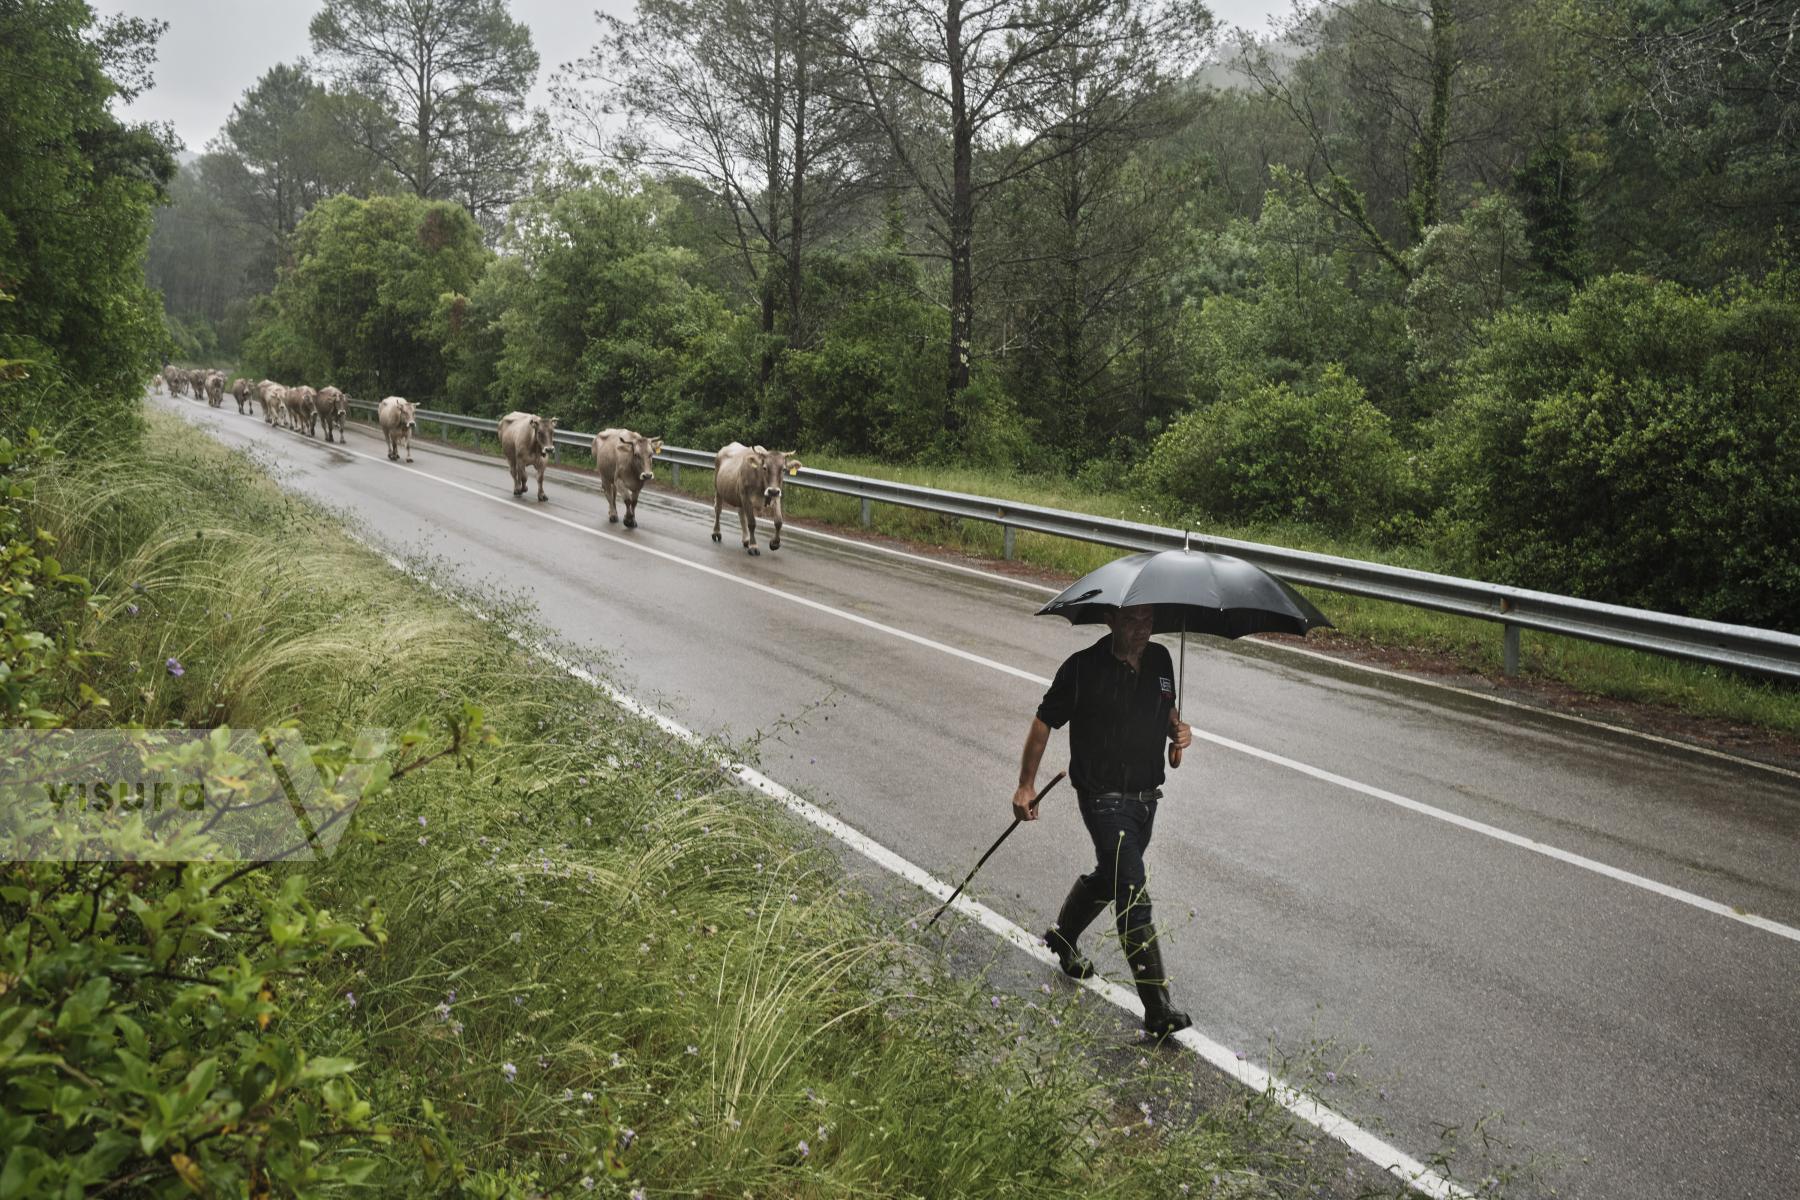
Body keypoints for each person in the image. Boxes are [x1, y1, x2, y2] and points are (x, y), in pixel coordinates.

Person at [1012, 603, 1194, 1039]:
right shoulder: (1082, 669)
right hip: (1102, 799)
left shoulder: (1163, 659)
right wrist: (1025, 785)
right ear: (1111, 620)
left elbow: (1165, 708)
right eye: (1133, 621)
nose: (1143, 630)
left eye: (1149, 621)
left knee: (1113, 877)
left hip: (1147, 798)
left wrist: (1177, 731)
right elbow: (1044, 723)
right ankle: (1157, 1007)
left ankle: (1063, 935)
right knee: (1133, 894)